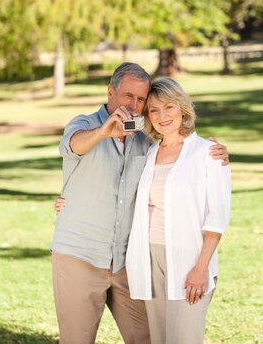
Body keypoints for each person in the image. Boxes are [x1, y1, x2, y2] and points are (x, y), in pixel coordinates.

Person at [51, 62, 228, 344]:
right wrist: (103, 132)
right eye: (127, 96)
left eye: (141, 99)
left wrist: (214, 152)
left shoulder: (145, 140)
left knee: (148, 337)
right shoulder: (85, 124)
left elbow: (177, 157)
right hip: (81, 254)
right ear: (111, 92)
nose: (134, 105)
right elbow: (73, 145)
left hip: (126, 262)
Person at [126, 77, 231, 344]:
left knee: (185, 338)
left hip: (189, 260)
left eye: (169, 107)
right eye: (154, 110)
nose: (162, 116)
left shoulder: (208, 153)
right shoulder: (149, 153)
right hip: (150, 258)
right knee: (159, 339)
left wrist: (200, 268)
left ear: (182, 108)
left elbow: (216, 218)